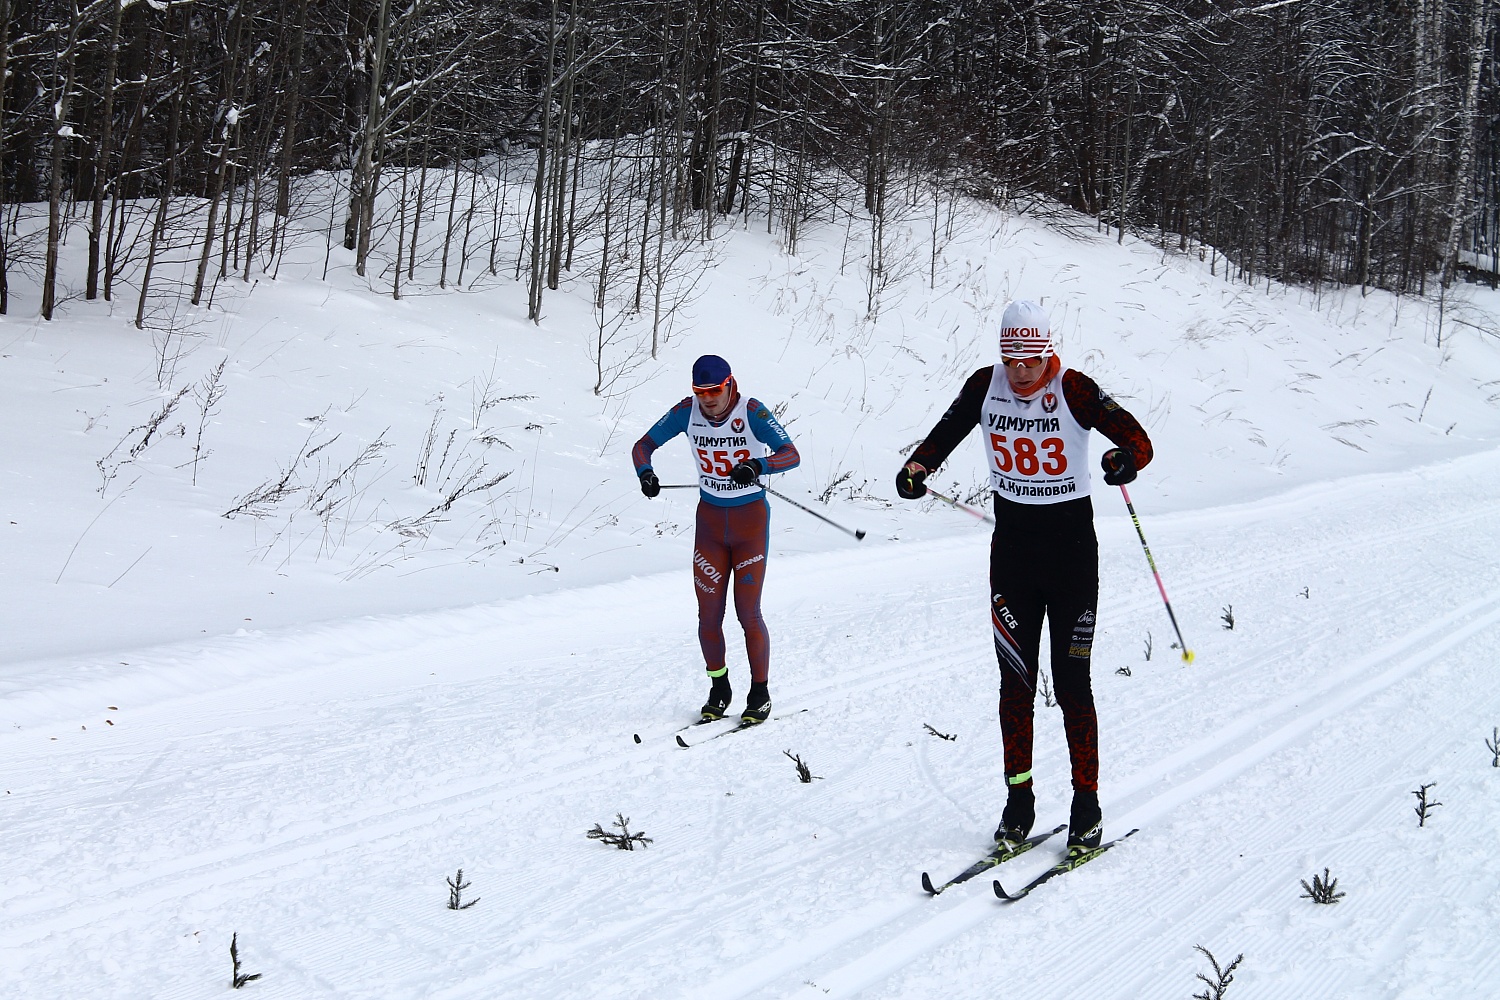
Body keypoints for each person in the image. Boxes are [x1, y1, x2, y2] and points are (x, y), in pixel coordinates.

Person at [895, 300, 1152, 859]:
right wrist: (918, 468)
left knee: (1071, 684)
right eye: (1012, 360)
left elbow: (1139, 441)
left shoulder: (1075, 388)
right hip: (1012, 554)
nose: (1022, 373)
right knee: (1014, 683)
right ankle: (1019, 803)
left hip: (1071, 557)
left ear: (1047, 352)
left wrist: (1123, 462)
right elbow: (946, 432)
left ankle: (1086, 807)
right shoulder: (985, 386)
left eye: (1031, 361)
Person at [633, 355, 800, 725]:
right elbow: (642, 446)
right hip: (710, 523)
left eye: (714, 391)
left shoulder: (752, 412)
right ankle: (719, 688)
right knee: (708, 617)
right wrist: (646, 473)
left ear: (729, 384)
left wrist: (759, 466)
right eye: (700, 392)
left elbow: (791, 455)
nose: (707, 399)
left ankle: (760, 693)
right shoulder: (685, 412)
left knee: (747, 613)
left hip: (749, 524)